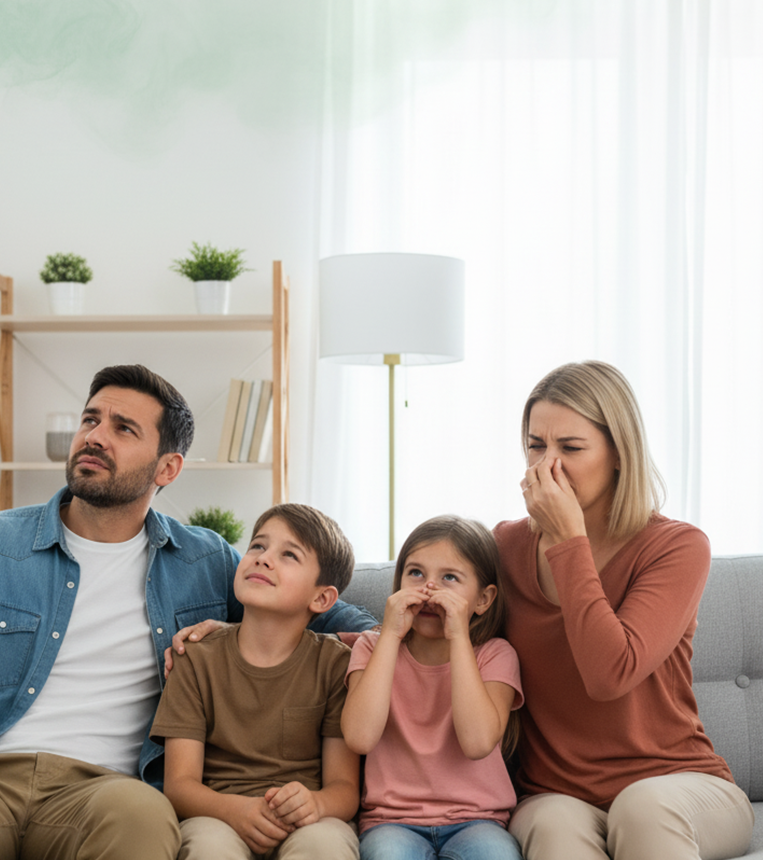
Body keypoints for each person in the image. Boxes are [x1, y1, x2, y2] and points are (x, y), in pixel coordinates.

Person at [0, 364, 376, 860]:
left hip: (108, 790)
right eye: (90, 420)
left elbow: (339, 621)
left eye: (124, 428)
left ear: (167, 467)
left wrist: (235, 630)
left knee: (144, 819)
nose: (95, 436)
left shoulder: (205, 560)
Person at [495, 360, 754, 860]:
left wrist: (568, 539)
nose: (548, 465)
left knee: (643, 807)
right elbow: (435, 629)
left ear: (618, 453)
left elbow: (610, 674)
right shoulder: (504, 547)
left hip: (682, 787)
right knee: (551, 823)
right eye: (535, 445)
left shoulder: (676, 547)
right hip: (558, 794)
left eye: (570, 448)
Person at [151, 503, 362, 860]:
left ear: (322, 597)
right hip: (217, 814)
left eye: (289, 555)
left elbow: (344, 789)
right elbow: (179, 785)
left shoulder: (335, 664)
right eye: (258, 546)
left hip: (307, 819)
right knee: (208, 848)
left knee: (325, 846)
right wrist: (235, 811)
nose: (264, 559)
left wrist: (315, 803)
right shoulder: (194, 658)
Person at [341, 515, 524, 860]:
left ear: (483, 600)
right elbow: (359, 737)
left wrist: (458, 636)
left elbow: (477, 742)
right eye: (415, 573)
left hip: (479, 820)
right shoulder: (371, 647)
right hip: (390, 822)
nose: (428, 589)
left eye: (449, 578)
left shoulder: (495, 655)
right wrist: (391, 635)